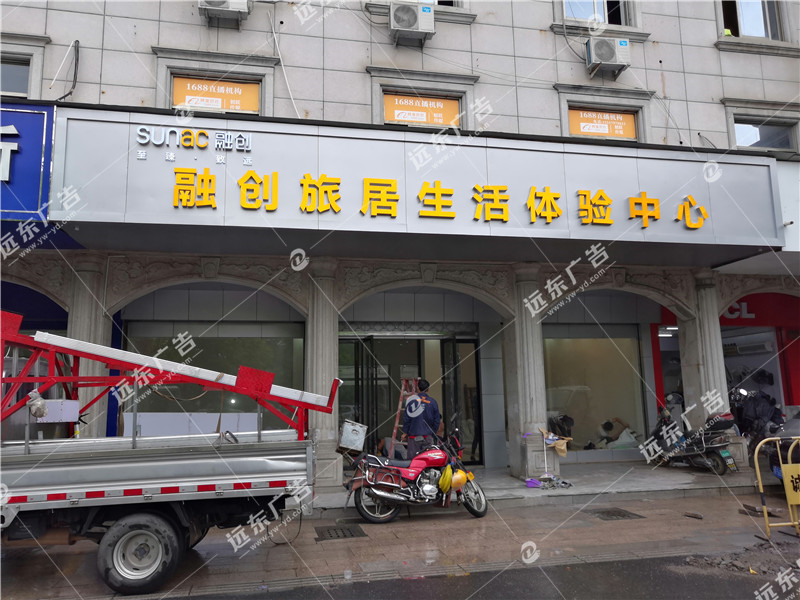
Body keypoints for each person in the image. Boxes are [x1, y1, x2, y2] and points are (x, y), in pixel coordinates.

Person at [401, 379, 441, 458]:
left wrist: (405, 432)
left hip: (413, 437)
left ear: (418, 388)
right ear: (428, 389)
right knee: (427, 460)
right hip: (427, 437)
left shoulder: (411, 401)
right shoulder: (433, 402)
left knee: (413, 461)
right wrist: (432, 432)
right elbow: (437, 421)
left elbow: (407, 419)